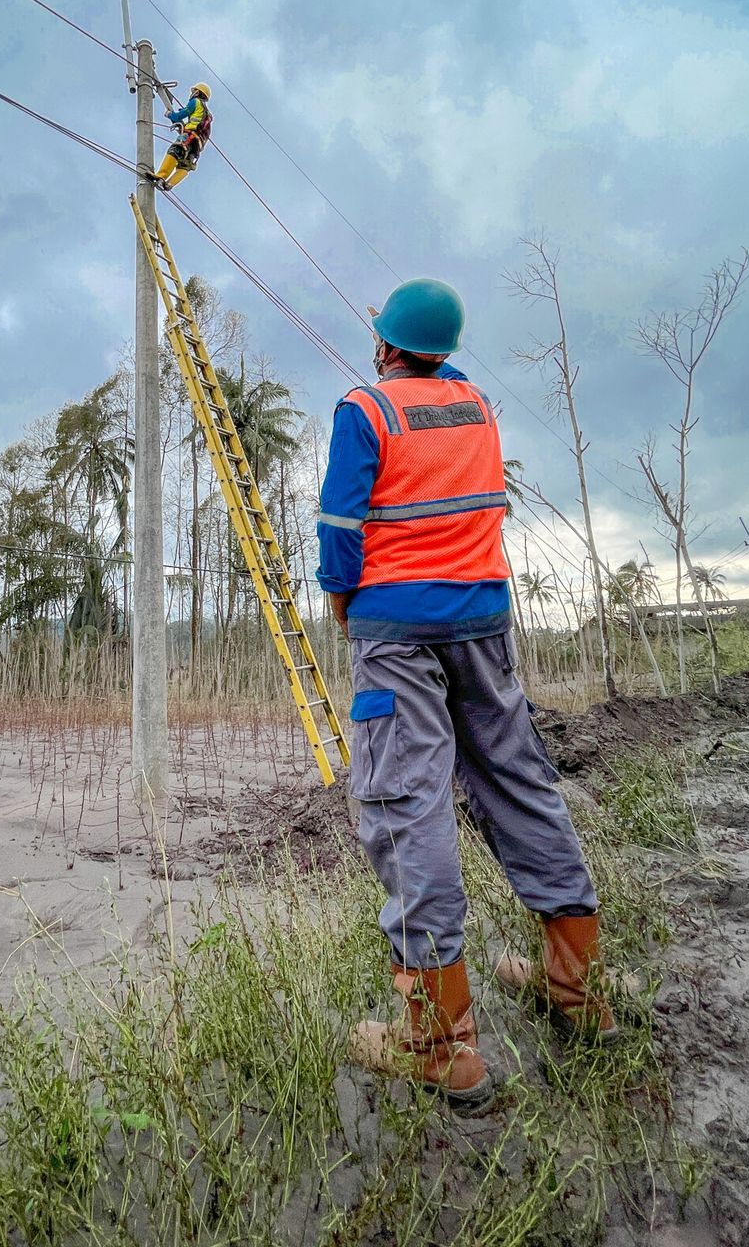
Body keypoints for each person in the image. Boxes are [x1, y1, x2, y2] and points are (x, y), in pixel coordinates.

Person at [316, 277, 615, 1113]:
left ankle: (442, 1047)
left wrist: (349, 608)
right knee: (520, 783)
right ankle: (576, 987)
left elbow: (340, 533)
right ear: (444, 348)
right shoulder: (478, 407)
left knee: (409, 806)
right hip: (484, 621)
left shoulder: (364, 410)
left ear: (386, 343)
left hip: (398, 634)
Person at [153, 83, 212, 190]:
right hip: (198, 145)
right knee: (185, 165)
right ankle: (169, 184)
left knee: (175, 151)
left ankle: (161, 176)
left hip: (190, 135)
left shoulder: (196, 102)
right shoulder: (207, 114)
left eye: (193, 91)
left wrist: (170, 114)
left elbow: (179, 116)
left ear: (197, 92)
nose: (191, 94)